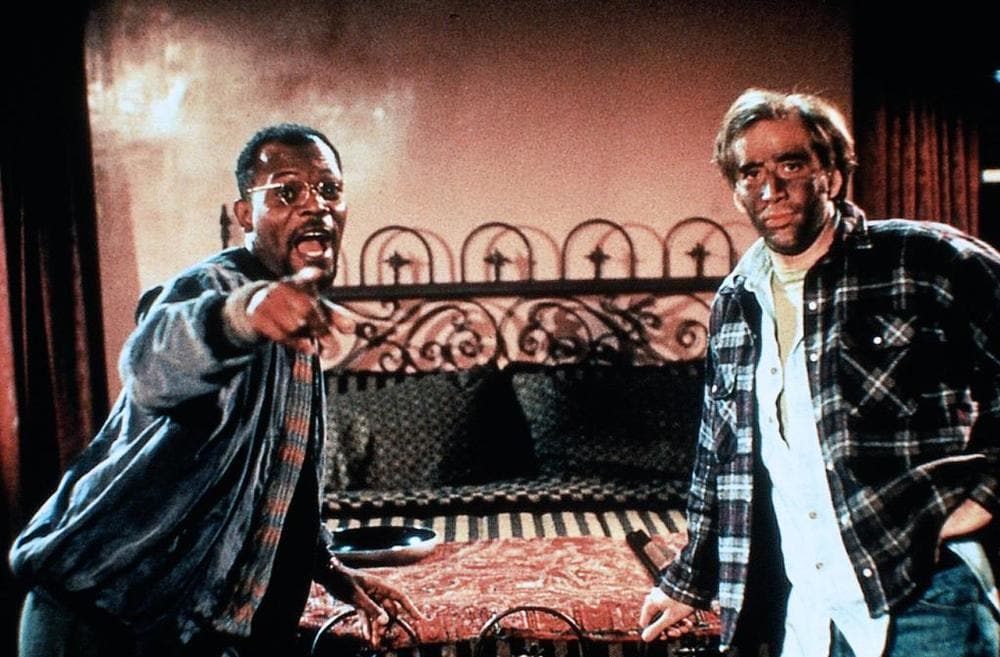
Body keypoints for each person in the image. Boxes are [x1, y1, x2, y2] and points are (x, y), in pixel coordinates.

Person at [9, 123, 422, 656]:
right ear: (245, 214)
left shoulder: (296, 325)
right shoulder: (214, 288)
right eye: (287, 191)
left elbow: (280, 484)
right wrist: (240, 316)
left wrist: (331, 571)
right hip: (99, 619)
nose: (314, 205)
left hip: (185, 634)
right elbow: (149, 361)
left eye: (329, 189)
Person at [638, 89, 1000, 657]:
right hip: (812, 612)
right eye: (751, 172)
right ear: (736, 190)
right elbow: (718, 458)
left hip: (923, 595)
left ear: (830, 173)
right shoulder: (736, 301)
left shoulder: (924, 260)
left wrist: (986, 495)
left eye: (790, 164)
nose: (770, 189)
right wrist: (687, 581)